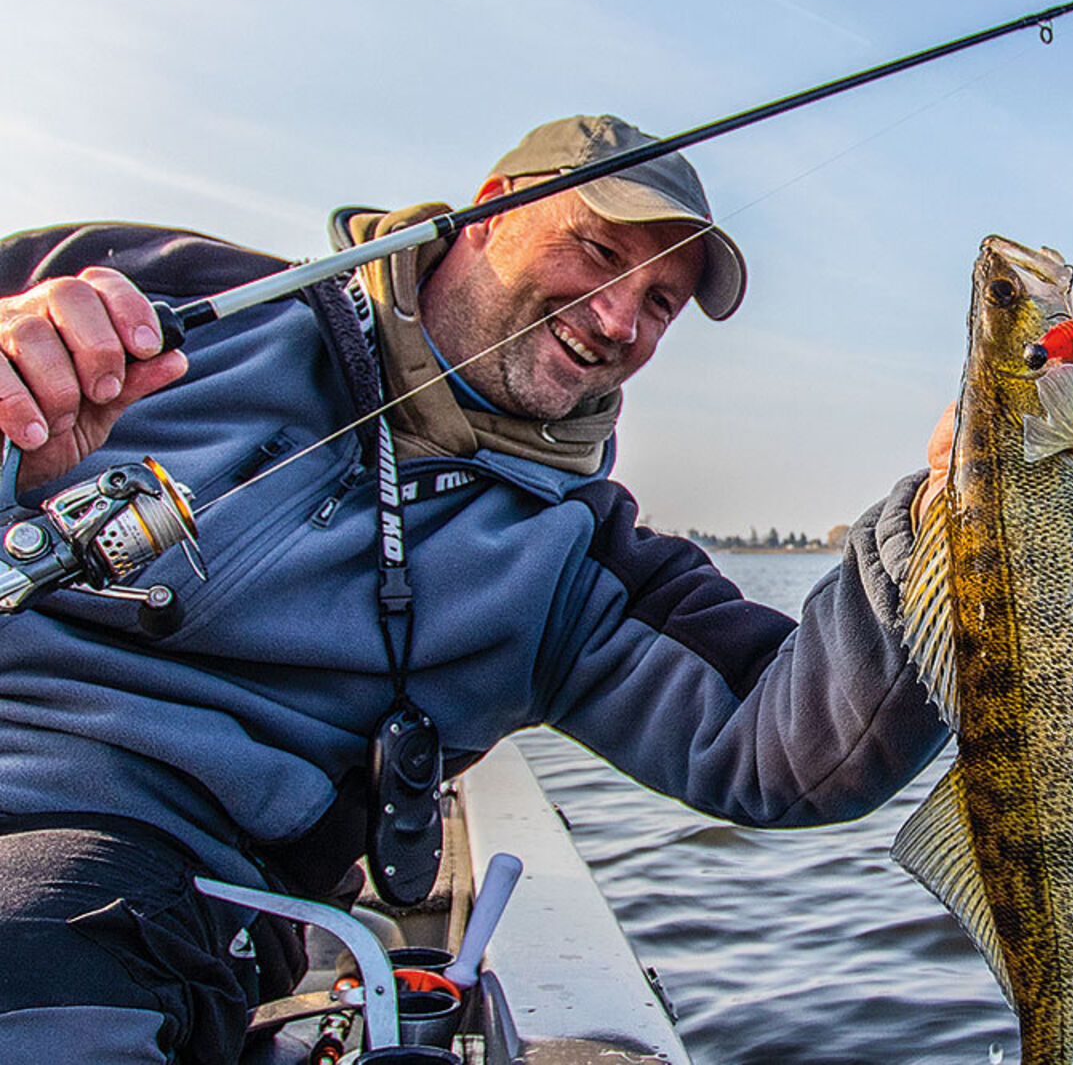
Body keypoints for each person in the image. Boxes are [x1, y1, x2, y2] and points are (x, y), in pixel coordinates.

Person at [0, 115, 950, 1064]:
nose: (618, 321)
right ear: (493, 212)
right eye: (598, 251)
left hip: (120, 885)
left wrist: (955, 531)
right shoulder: (168, 290)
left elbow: (786, 752)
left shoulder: (583, 563)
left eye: (660, 303)